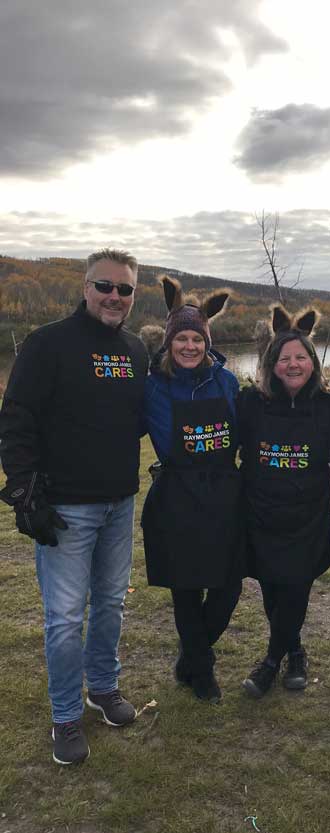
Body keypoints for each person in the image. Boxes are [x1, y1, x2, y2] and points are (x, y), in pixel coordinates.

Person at [0, 248, 148, 765]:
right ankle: (65, 716)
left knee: (111, 603)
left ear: (133, 296)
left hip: (119, 502)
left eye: (124, 289)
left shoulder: (135, 350)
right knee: (64, 617)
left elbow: (144, 417)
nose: (113, 296)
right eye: (104, 286)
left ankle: (102, 689)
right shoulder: (47, 344)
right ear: (85, 287)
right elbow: (15, 419)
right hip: (65, 509)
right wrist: (23, 493)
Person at [142, 276, 242, 704]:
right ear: (169, 343)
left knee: (229, 584)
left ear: (207, 341)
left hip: (223, 491)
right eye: (181, 338)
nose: (188, 346)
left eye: (195, 339)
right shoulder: (152, 386)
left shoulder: (227, 382)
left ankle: (190, 657)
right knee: (187, 587)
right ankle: (201, 671)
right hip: (178, 494)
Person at [238, 305, 330, 698]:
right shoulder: (250, 403)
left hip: (308, 515)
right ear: (271, 364)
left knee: (296, 586)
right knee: (273, 587)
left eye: (300, 357)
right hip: (261, 512)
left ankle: (271, 661)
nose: (293, 364)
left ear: (311, 362)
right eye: (284, 358)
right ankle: (294, 649)